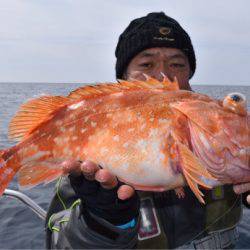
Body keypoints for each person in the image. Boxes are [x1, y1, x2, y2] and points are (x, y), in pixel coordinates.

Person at [45, 12, 250, 249]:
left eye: (176, 64)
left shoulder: (216, 132)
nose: (163, 74)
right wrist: (102, 221)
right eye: (146, 64)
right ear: (124, 78)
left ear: (189, 73)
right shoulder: (84, 162)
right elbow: (58, 242)